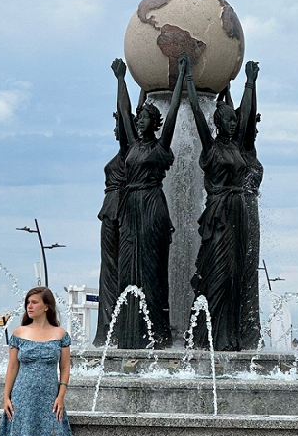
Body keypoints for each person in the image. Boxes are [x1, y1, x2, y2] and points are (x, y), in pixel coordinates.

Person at [112, 54, 187, 349]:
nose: (139, 119)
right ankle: (129, 333)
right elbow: (124, 109)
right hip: (131, 206)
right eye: (139, 116)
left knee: (152, 269)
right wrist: (121, 80)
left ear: (154, 123)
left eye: (144, 117)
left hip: (152, 205)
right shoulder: (131, 144)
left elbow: (175, 109)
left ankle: (156, 333)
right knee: (127, 267)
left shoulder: (160, 144)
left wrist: (182, 78)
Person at [186, 60, 258, 350]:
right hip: (218, 213)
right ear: (218, 123)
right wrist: (187, 78)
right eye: (229, 120)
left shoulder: (237, 146)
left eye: (233, 120)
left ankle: (230, 336)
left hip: (238, 212)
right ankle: (207, 336)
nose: (234, 123)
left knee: (235, 274)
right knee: (218, 271)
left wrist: (250, 83)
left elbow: (247, 115)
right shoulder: (211, 146)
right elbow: (195, 110)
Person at [0, 287, 81, 436]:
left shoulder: (60, 334)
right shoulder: (19, 332)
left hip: (50, 400)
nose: (29, 306)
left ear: (47, 306)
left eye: (34, 302)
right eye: (28, 302)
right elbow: (12, 367)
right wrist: (6, 397)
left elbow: (65, 367)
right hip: (22, 398)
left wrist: (61, 395)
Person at [93, 109, 128, 346]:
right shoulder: (125, 154)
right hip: (110, 210)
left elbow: (126, 111)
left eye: (119, 125)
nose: (116, 130)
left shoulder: (129, 152)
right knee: (108, 270)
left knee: (116, 269)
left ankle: (115, 326)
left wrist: (122, 86)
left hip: (118, 210)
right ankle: (107, 328)